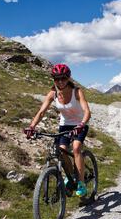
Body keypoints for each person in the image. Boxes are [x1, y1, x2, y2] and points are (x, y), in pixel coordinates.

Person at [24, 64, 91, 197]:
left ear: (68, 78)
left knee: (76, 148)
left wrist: (81, 124)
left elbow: (87, 111)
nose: (60, 81)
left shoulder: (76, 92)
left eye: (63, 78)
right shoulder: (52, 93)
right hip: (65, 125)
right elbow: (42, 112)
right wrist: (32, 127)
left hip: (80, 124)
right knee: (61, 149)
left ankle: (81, 183)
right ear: (53, 79)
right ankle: (71, 176)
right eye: (57, 79)